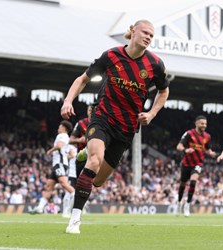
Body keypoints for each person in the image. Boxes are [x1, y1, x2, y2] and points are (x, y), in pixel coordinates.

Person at [60, 19, 170, 234]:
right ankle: (74, 220)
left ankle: (85, 152)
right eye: (145, 32)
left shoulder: (155, 64)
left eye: (151, 35)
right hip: (103, 118)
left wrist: (152, 113)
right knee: (94, 160)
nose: (148, 37)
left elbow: (164, 91)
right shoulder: (111, 55)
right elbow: (83, 79)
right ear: (132, 31)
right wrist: (67, 101)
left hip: (127, 128)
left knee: (98, 181)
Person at [175, 115, 217, 217]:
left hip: (198, 163)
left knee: (193, 182)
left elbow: (207, 148)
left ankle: (187, 205)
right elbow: (179, 146)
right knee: (182, 185)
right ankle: (179, 203)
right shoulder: (189, 134)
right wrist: (186, 150)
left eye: (205, 124)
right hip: (186, 163)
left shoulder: (207, 137)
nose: (204, 125)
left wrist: (211, 153)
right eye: (202, 123)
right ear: (196, 123)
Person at [30, 120, 75, 214]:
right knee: (49, 186)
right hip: (58, 164)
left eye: (60, 126)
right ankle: (39, 208)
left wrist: (50, 151)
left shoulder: (62, 136)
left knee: (63, 183)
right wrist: (65, 157)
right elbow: (71, 154)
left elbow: (59, 146)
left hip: (59, 164)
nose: (58, 128)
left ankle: (77, 197)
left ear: (64, 128)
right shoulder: (66, 138)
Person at [69, 104, 93, 178]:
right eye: (89, 110)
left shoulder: (100, 124)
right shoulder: (81, 123)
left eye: (93, 111)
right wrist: (79, 140)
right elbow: (70, 140)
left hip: (94, 156)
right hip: (82, 157)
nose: (91, 112)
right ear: (87, 111)